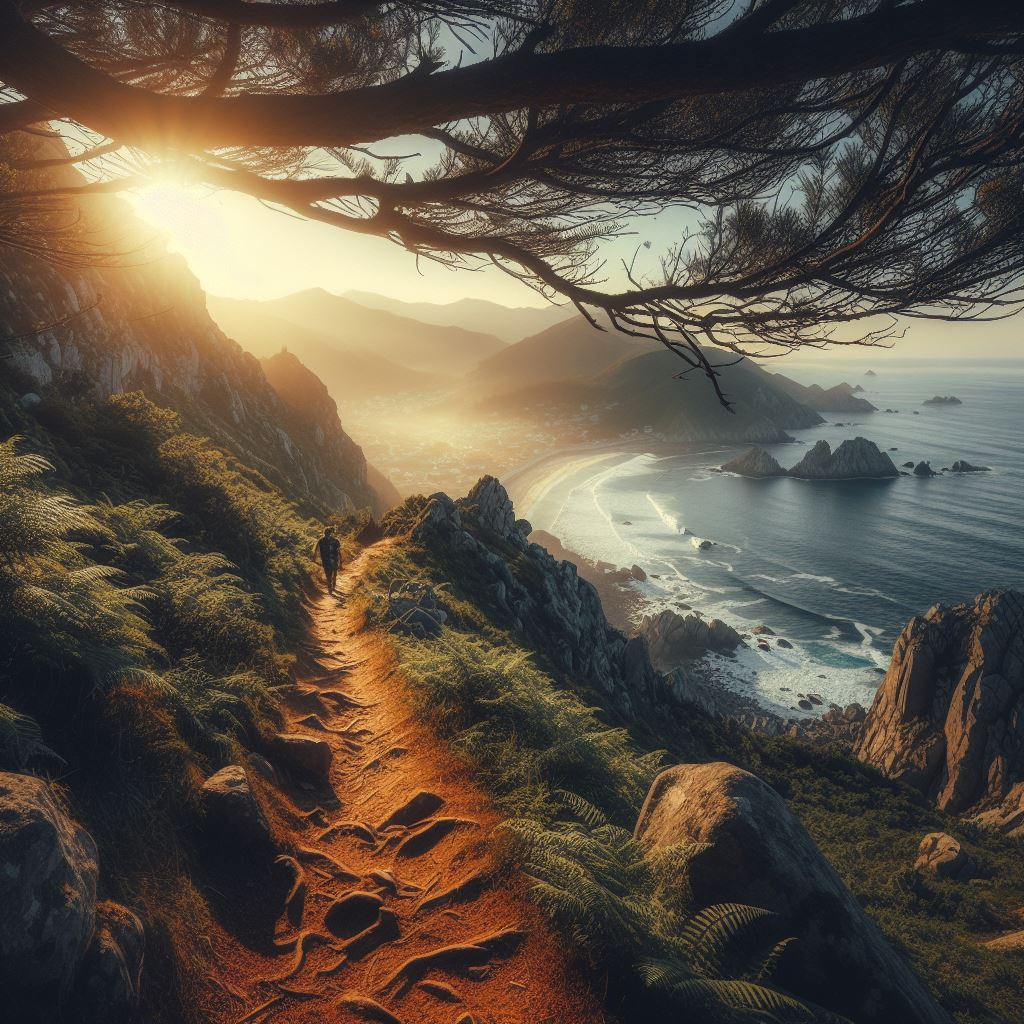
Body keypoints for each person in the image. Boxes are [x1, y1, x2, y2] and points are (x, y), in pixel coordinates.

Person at [315, 526, 342, 595]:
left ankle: (330, 586)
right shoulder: (335, 541)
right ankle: (331, 586)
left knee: (329, 575)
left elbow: (316, 551)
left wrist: (315, 559)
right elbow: (339, 552)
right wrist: (340, 562)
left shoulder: (321, 541)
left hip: (327, 561)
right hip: (332, 560)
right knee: (332, 574)